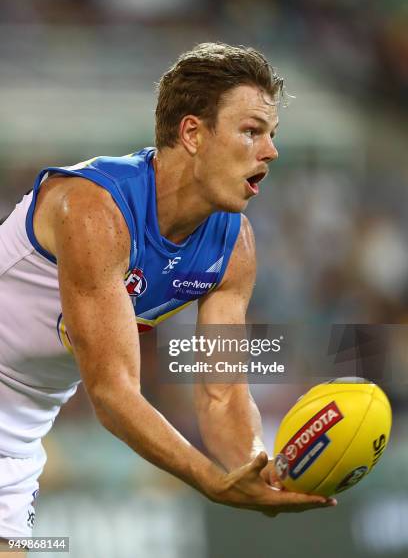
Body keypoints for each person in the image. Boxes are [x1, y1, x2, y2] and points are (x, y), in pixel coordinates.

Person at [0, 42, 335, 555]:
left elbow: (222, 392)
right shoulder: (95, 208)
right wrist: (208, 481)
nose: (271, 151)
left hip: (18, 442)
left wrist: (253, 466)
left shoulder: (232, 246)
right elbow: (113, 395)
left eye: (272, 135)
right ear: (193, 133)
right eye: (251, 131)